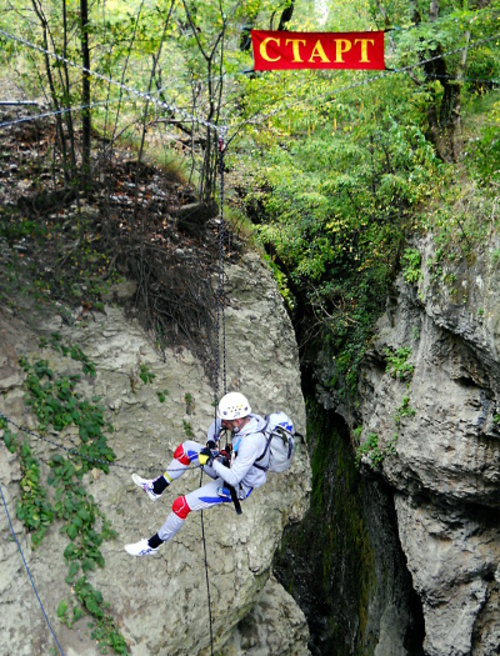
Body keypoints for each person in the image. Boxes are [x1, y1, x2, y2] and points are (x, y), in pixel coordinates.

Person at [124, 391, 270, 556]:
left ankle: (152, 545)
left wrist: (211, 461)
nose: (222, 422)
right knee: (186, 449)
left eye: (226, 421)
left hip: (236, 486)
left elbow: (234, 477)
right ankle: (156, 488)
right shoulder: (244, 421)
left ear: (237, 420)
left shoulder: (251, 442)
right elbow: (217, 424)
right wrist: (210, 442)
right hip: (225, 465)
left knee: (181, 506)